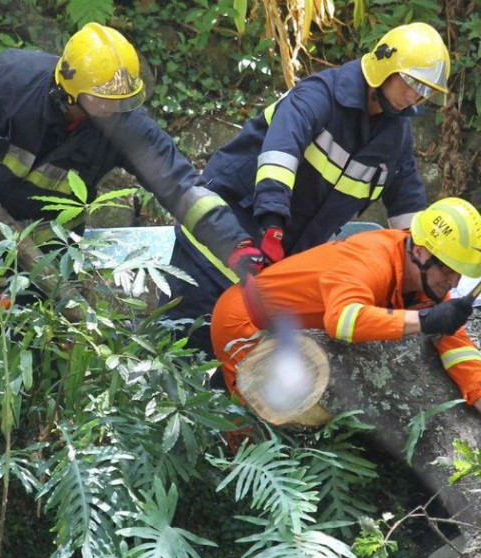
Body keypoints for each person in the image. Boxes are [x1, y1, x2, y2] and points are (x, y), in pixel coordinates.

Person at [0, 22, 245, 322]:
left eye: (124, 101)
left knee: (37, 337)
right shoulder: (11, 80)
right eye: (102, 101)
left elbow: (182, 187)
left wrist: (236, 245)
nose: (113, 110)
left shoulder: (125, 127)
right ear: (68, 91)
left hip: (45, 243)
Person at [163, 22, 450, 358]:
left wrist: (429, 270)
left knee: (241, 365)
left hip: (277, 262)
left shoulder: (395, 136)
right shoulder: (318, 96)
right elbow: (279, 156)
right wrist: (272, 223)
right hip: (219, 239)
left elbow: (409, 210)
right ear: (386, 67)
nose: (416, 96)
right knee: (180, 345)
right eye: (413, 83)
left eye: (425, 91)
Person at [210, 198, 481, 437]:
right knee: (255, 429)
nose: (453, 283)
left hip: (291, 331)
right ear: (422, 253)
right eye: (449, 271)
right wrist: (424, 321)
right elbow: (342, 320)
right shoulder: (370, 259)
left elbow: (457, 345)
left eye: (458, 274)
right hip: (244, 320)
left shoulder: (425, 283)